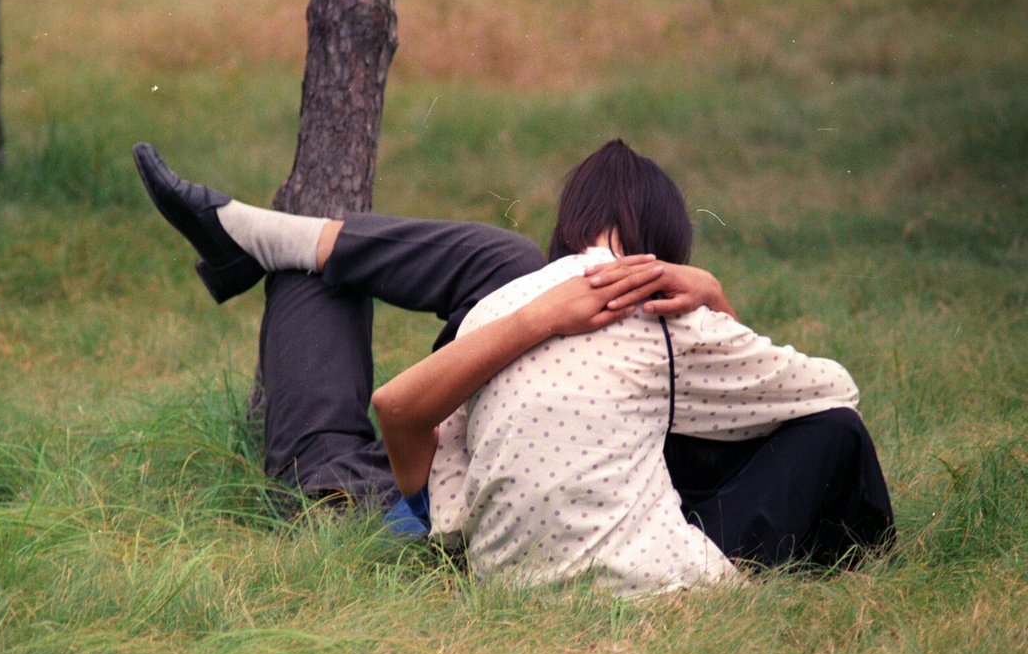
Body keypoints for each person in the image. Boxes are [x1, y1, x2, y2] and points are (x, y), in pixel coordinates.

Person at [132, 139, 894, 596]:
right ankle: (276, 240)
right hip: (411, 484)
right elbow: (824, 403)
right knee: (502, 263)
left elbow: (419, 445)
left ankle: (273, 243)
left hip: (359, 501)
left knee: (310, 272)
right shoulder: (600, 326)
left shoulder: (611, 346)